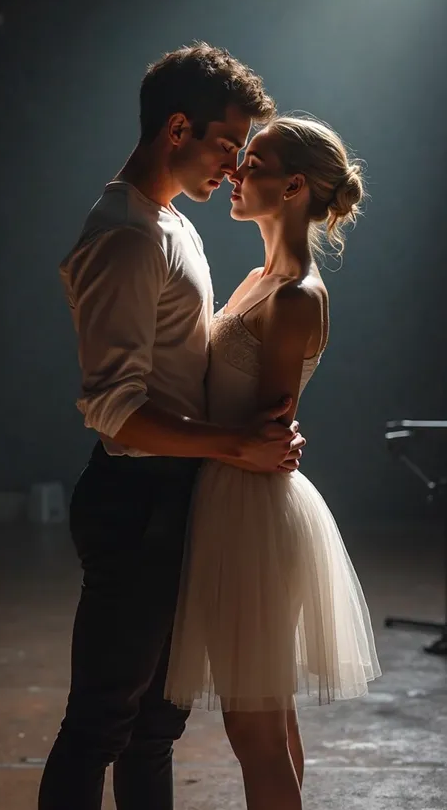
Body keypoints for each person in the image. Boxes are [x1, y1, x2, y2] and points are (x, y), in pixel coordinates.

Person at [38, 44, 306, 810]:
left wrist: (250, 439)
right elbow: (114, 410)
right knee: (100, 725)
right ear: (178, 127)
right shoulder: (126, 236)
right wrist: (236, 447)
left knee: (155, 728)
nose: (235, 163)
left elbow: (184, 372)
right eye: (228, 143)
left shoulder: (169, 224)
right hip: (135, 502)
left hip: (175, 493)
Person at [164, 115, 382, 810]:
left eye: (252, 162)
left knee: (253, 725)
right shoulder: (260, 277)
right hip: (232, 492)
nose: (234, 171)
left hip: (252, 507)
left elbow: (268, 426)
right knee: (267, 719)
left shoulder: (295, 298)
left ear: (293, 186)